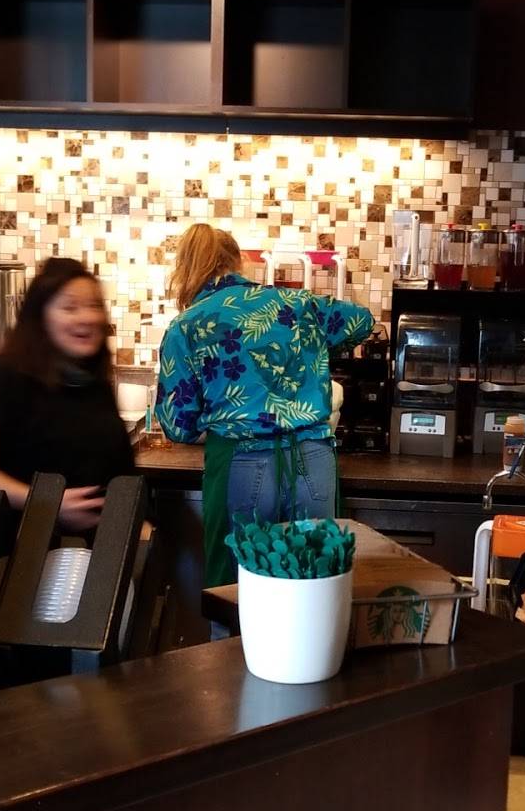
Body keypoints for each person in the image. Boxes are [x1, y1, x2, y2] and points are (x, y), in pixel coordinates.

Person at [156, 225, 373, 587]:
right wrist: (314, 350)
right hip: (313, 460)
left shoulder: (187, 326)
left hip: (240, 463)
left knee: (237, 589)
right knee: (314, 586)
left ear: (186, 269)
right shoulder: (296, 304)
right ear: (238, 261)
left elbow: (177, 425)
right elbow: (361, 321)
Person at [0, 257, 135, 533]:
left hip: (100, 549)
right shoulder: (1, 381)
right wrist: (46, 502)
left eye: (94, 306)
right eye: (70, 307)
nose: (88, 317)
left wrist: (139, 526)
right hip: (23, 550)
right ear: (40, 316)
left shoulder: (91, 382)